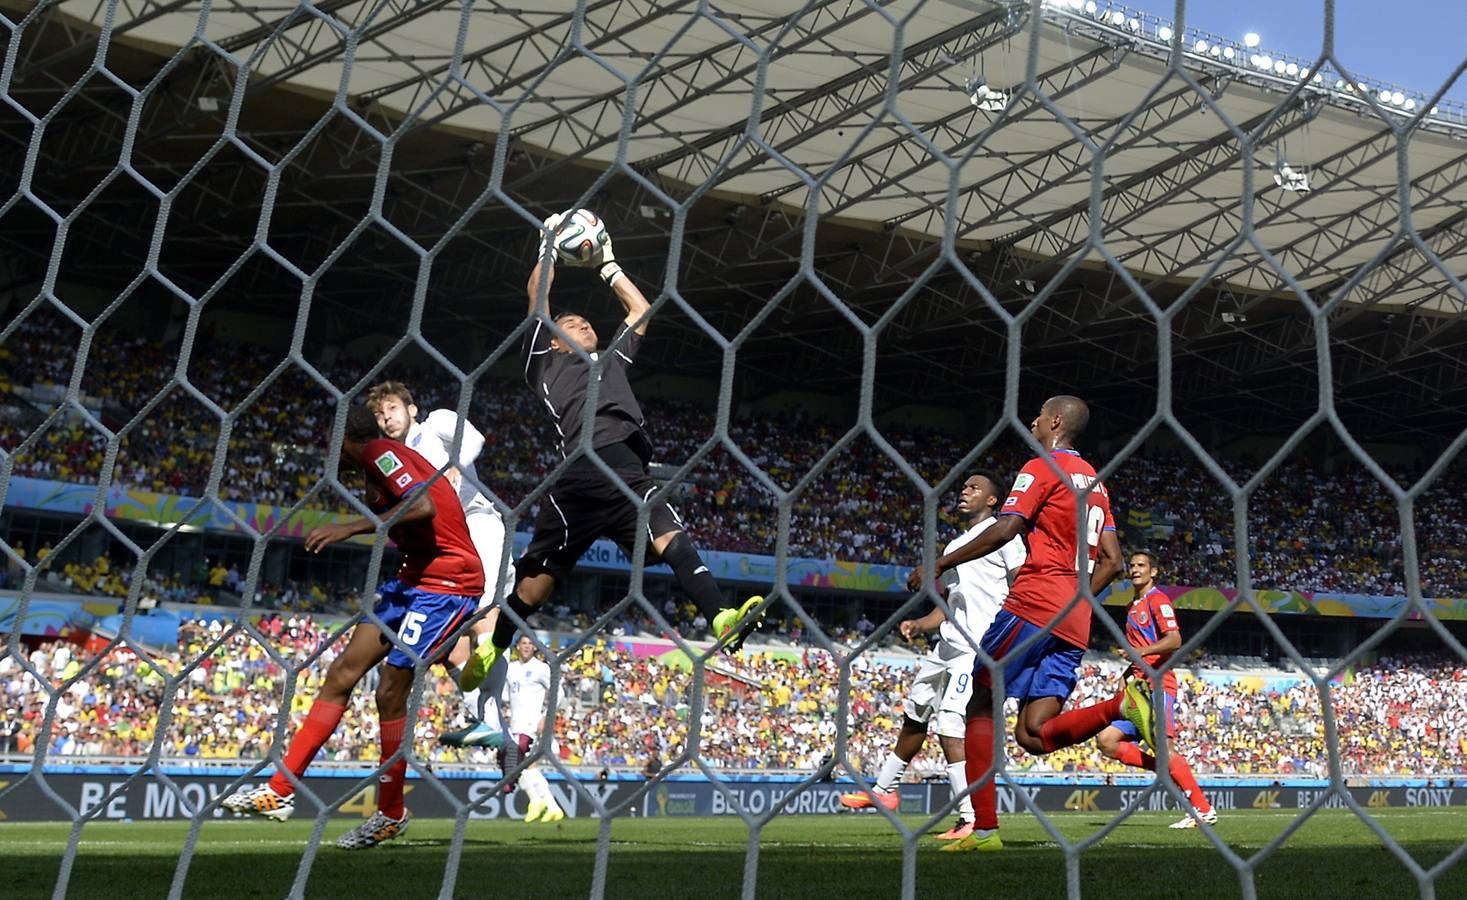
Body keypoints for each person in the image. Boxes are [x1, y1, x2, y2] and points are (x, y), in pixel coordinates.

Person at [464, 211, 764, 678]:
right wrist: (547, 249)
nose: (582, 324)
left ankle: (722, 617)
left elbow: (641, 311)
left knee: (674, 543)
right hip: (585, 467)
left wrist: (608, 264)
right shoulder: (545, 363)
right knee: (533, 589)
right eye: (572, 323)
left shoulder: (612, 363)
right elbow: (538, 300)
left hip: (627, 468)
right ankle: (492, 649)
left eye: (585, 321)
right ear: (555, 341)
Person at [222, 403, 484, 850]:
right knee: (341, 673)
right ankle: (280, 791)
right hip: (412, 578)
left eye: (330, 442)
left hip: (448, 582)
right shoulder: (375, 462)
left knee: (389, 691)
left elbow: (420, 506)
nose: (328, 451)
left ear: (345, 439)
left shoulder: (379, 452)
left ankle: (390, 814)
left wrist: (350, 528)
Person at [904, 396, 1132, 854]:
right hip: (1075, 619)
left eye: (1037, 415)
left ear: (1055, 423)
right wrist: (1078, 599)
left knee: (979, 703)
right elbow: (1114, 561)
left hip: (1033, 603)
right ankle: (1119, 708)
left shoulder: (1043, 465)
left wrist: (940, 563)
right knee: (1033, 734)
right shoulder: (1096, 483)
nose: (1030, 422)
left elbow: (1007, 528)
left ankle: (984, 830)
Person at [840, 471, 1025, 841]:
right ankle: (885, 790)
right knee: (914, 716)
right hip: (947, 644)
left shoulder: (1005, 536)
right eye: (964, 487)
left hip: (977, 647)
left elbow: (1023, 583)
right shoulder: (956, 546)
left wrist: (1009, 634)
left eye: (974, 488)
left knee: (951, 726)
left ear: (992, 501)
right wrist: (921, 624)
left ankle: (970, 816)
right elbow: (952, 605)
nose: (964, 492)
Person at [367, 380, 510, 747]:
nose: (387, 419)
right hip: (445, 546)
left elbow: (475, 440)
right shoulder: (392, 462)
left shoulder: (436, 425)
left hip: (477, 522)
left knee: (484, 612)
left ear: (411, 409)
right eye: (380, 415)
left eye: (392, 409)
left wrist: (453, 466)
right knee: (453, 639)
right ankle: (489, 722)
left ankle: (493, 653)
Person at [1094, 550, 1216, 828]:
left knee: (1165, 746)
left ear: (1154, 572)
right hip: (1138, 688)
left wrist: (1140, 653)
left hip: (1158, 684)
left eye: (1141, 565)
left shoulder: (1158, 601)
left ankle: (1202, 808)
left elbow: (1174, 639)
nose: (1135, 570)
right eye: (1132, 565)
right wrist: (1128, 672)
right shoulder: (1132, 606)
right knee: (1107, 741)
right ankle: (1163, 771)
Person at [499, 635, 566, 823]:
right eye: (524, 644)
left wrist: (546, 716)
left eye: (530, 644)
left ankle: (537, 801)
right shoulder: (510, 669)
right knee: (527, 766)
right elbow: (506, 694)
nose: (527, 647)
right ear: (518, 647)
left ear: (535, 648)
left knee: (519, 762)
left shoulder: (541, 668)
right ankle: (551, 806)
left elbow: (558, 693)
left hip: (532, 723)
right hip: (515, 724)